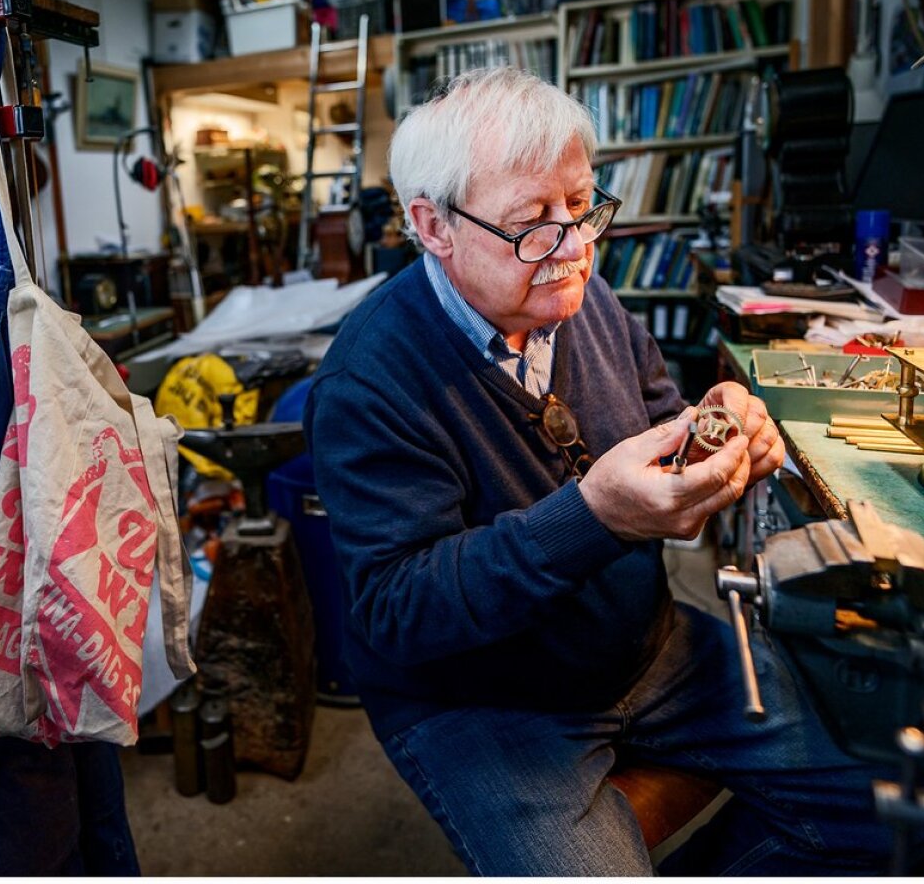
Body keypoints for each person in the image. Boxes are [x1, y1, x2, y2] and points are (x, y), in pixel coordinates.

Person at [303, 67, 893, 875]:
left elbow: (657, 421)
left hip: (645, 647)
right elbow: (397, 610)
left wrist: (712, 434)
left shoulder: (587, 298)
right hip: (484, 701)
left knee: (887, 802)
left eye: (581, 208)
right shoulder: (368, 380)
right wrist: (594, 518)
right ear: (432, 225)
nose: (574, 248)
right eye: (530, 225)